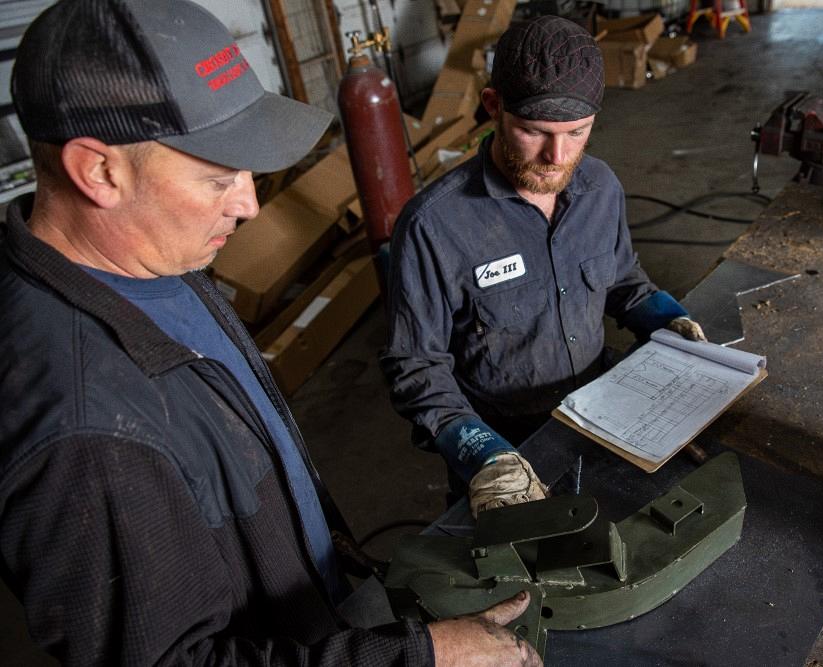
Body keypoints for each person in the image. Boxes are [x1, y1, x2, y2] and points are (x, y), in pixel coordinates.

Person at [0, 1, 540, 665]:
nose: (250, 203)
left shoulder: (152, 254)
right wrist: (420, 655)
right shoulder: (83, 429)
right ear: (100, 170)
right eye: (218, 176)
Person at [380, 15, 708, 518]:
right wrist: (481, 455)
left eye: (577, 133)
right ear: (493, 107)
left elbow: (622, 280)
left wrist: (670, 320)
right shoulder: (435, 225)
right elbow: (415, 364)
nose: (557, 157)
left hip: (604, 416)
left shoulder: (601, 188)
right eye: (533, 131)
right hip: (505, 440)